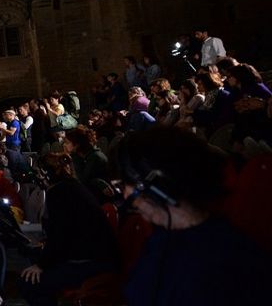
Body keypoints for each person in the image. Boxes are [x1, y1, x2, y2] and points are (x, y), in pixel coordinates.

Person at [118, 128, 271, 305]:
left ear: (157, 186)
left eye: (127, 184)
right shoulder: (163, 238)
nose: (126, 195)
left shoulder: (220, 264)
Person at [18, 153, 119, 306]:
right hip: (97, 256)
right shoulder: (72, 186)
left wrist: (41, 265)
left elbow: (60, 237)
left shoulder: (59, 193)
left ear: (46, 174)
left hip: (91, 262)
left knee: (29, 282)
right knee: (35, 257)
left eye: (38, 172)